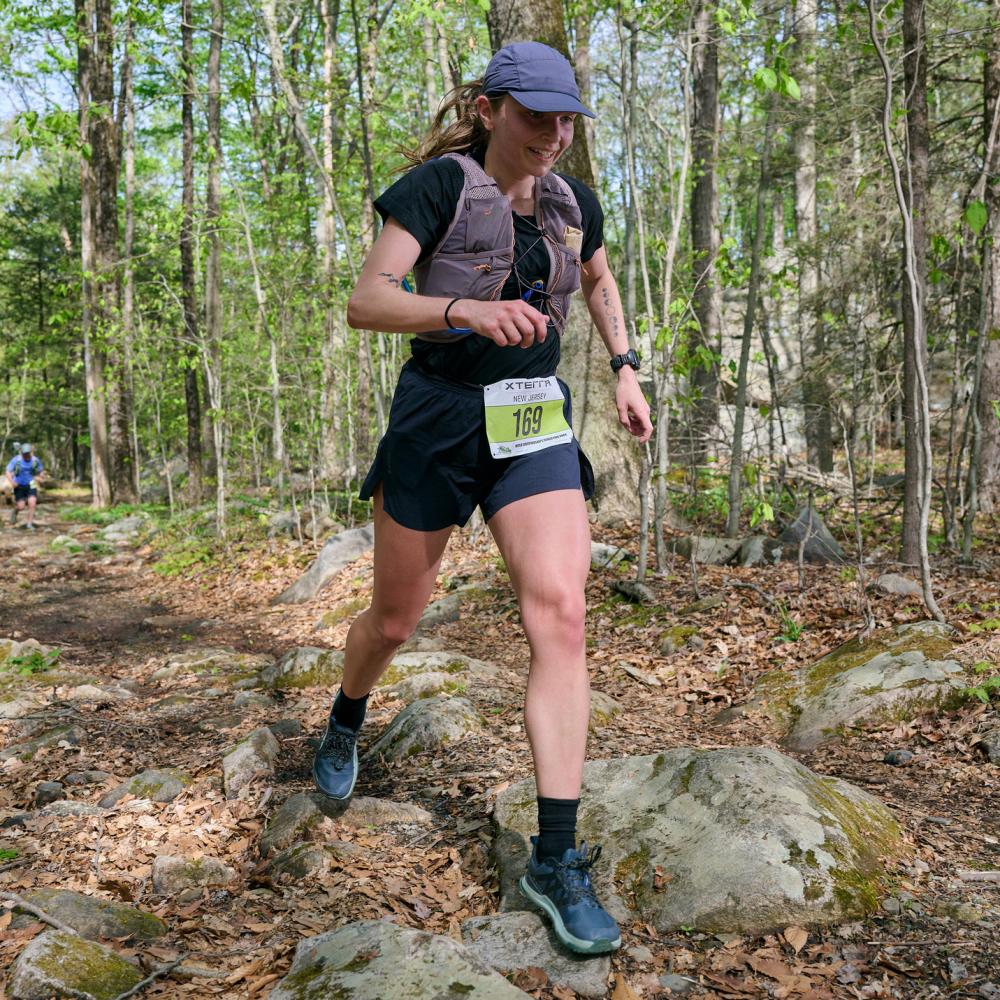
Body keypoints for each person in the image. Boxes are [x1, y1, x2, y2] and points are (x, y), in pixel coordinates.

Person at [312, 41, 651, 955]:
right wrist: (463, 310)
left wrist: (624, 367)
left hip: (533, 417)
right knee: (394, 620)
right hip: (439, 417)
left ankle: (556, 857)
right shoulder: (436, 189)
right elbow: (368, 299)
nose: (555, 135)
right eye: (536, 117)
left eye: (567, 119)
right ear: (489, 109)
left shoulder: (575, 202)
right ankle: (346, 718)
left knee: (562, 613)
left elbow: (598, 276)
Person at [6, 443, 44, 530]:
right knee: (21, 506)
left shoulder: (35, 460)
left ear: (30, 452)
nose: (26, 455)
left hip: (31, 484)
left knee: (32, 503)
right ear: (22, 453)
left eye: (27, 453)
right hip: (19, 485)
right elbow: (8, 472)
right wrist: (12, 482)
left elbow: (40, 471)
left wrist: (41, 477)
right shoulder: (16, 460)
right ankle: (15, 511)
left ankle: (29, 524)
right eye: (24, 454)